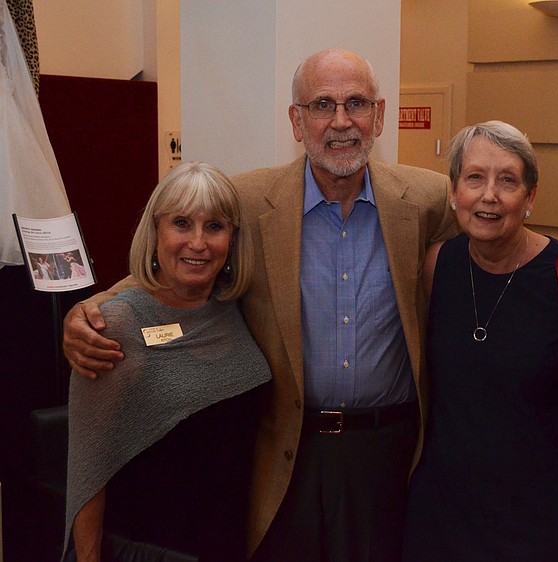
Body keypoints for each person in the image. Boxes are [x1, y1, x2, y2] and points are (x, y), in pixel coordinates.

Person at [62, 49, 457, 562]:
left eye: (356, 103)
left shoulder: (426, 198)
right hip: (284, 450)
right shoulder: (248, 200)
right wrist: (91, 309)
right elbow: (179, 260)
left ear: (379, 115)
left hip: (389, 450)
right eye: (322, 105)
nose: (341, 122)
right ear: (297, 121)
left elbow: (502, 239)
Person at [402, 121, 558, 561]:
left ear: (530, 197)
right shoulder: (438, 266)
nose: (489, 196)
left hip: (539, 517)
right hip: (444, 512)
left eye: (508, 181)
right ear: (454, 192)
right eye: (474, 178)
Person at [63, 161, 272, 562]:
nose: (198, 243)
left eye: (214, 226)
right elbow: (88, 467)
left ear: (232, 239)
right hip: (149, 547)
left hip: (226, 540)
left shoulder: (232, 309)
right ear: (155, 231)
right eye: (181, 223)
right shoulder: (116, 324)